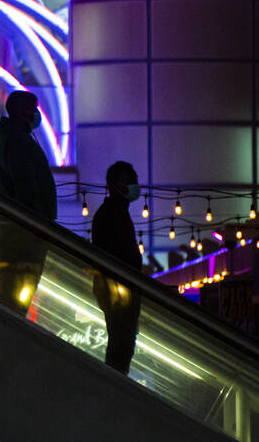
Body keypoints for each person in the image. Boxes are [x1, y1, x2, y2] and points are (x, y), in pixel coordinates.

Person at [0, 90, 56, 315]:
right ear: (23, 112)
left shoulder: (7, 138)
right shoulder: (19, 141)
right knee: (18, 294)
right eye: (32, 108)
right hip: (24, 234)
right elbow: (26, 186)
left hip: (13, 231)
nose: (36, 114)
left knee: (12, 293)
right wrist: (39, 223)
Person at [91, 160, 143, 375]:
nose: (136, 185)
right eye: (131, 180)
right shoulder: (116, 214)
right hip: (119, 291)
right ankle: (115, 384)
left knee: (118, 342)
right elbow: (124, 254)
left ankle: (114, 383)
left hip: (112, 290)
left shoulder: (107, 212)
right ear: (118, 184)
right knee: (121, 345)